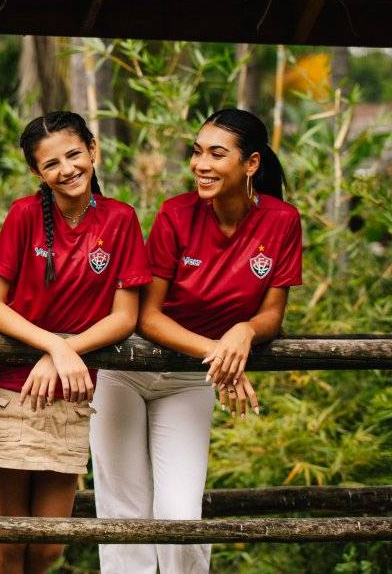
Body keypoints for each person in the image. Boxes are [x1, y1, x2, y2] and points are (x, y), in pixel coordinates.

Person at [90, 108, 303, 574]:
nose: (201, 164)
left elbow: (272, 314)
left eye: (216, 154)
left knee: (182, 518)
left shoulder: (283, 221)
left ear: (251, 164)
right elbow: (147, 317)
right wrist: (221, 354)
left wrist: (243, 331)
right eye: (197, 151)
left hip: (189, 382)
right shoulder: (175, 214)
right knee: (123, 515)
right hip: (128, 373)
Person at [0, 112, 152, 574]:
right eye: (51, 163)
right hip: (8, 389)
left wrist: (65, 353)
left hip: (71, 394)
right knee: (10, 543)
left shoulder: (120, 220)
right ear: (37, 173)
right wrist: (54, 348)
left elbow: (125, 316)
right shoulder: (25, 216)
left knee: (49, 547)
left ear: (93, 150)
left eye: (74, 154)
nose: (67, 168)